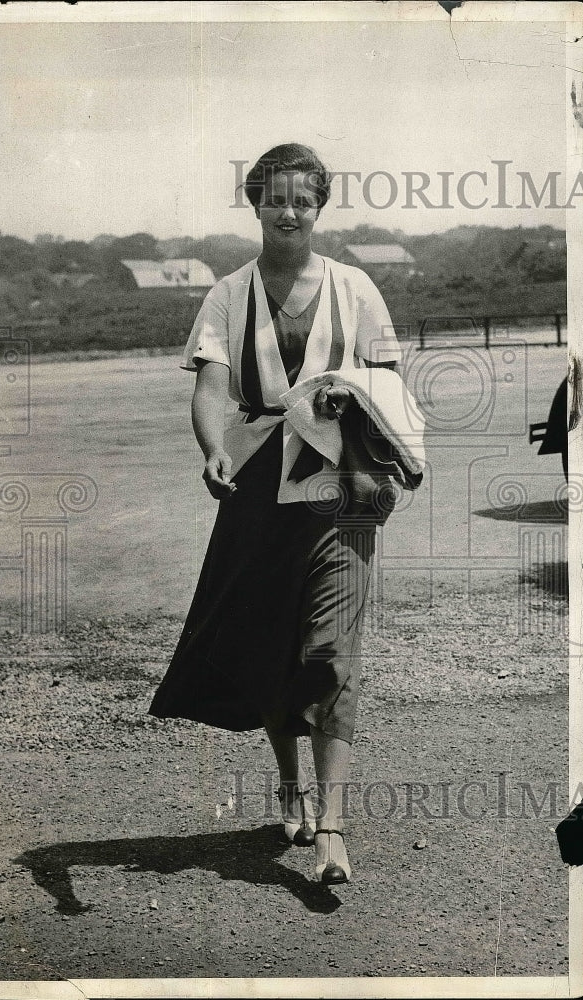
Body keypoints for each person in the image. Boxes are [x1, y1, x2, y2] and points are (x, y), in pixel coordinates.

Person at [149, 143, 403, 884]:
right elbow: (210, 385)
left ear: (318, 208)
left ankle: (330, 828)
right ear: (254, 204)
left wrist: (348, 393)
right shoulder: (229, 292)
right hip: (256, 486)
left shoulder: (355, 287)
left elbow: (387, 380)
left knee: (329, 652)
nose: (289, 211)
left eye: (303, 199)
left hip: (342, 487)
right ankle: (287, 782)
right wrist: (211, 449)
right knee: (268, 642)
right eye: (275, 198)